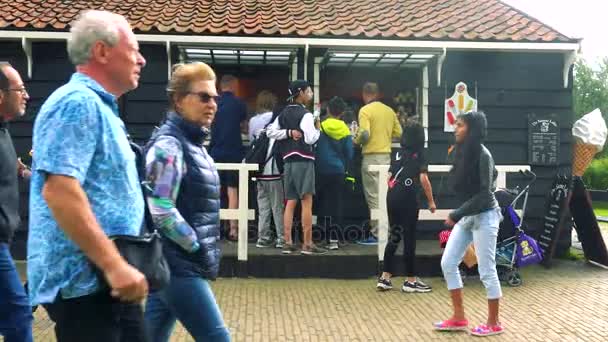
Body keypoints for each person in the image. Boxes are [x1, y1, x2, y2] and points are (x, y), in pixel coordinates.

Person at [27, 10, 149, 341]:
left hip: (104, 282)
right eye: (134, 49)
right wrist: (114, 265)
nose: (142, 60)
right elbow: (59, 191)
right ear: (102, 51)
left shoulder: (100, 107)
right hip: (87, 282)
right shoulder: (76, 104)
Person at [143, 62, 230, 342]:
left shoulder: (194, 144)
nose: (212, 104)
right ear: (179, 101)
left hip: (172, 263)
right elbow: (161, 209)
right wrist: (195, 246)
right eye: (204, 97)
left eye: (215, 97)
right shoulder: (168, 146)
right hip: (179, 265)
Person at [434, 111, 504, 337]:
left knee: (486, 269)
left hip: (485, 215)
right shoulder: (463, 152)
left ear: (472, 129)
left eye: (460, 125)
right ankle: (458, 317)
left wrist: (456, 213)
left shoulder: (484, 154)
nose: (455, 128)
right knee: (448, 262)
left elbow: (485, 195)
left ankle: (494, 323)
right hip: (468, 216)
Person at [376, 120, 436, 293]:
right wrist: (431, 201)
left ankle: (385, 277)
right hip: (409, 196)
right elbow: (424, 179)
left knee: (394, 235)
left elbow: (389, 176)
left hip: (393, 195)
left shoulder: (397, 153)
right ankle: (410, 280)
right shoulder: (421, 154)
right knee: (409, 238)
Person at [267, 80, 326, 255]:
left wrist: (288, 133)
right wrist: (318, 129)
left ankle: (287, 242)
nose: (311, 94)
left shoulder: (283, 113)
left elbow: (270, 131)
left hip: (288, 162)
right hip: (304, 160)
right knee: (307, 202)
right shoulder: (306, 114)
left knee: (290, 202)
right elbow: (310, 139)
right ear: (300, 92)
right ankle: (307, 244)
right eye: (308, 91)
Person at [0, 61, 33, 342]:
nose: (26, 95)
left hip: (5, 243)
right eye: (20, 89)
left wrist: (23, 171)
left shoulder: (4, 130)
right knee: (19, 314)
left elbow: (10, 169)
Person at [355, 82, 402, 245]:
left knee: (373, 197)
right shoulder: (389, 111)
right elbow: (399, 133)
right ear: (378, 94)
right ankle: (385, 232)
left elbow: (365, 134)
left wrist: (356, 141)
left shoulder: (365, 110)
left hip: (371, 157)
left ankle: (377, 235)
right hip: (386, 158)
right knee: (383, 196)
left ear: (364, 94)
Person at [209, 75, 247, 241]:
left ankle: (214, 229)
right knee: (232, 190)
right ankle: (233, 230)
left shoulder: (213, 103)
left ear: (220, 86)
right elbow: (244, 127)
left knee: (215, 191)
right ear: (233, 85)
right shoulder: (239, 104)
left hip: (215, 151)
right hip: (234, 152)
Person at [314, 96, 354, 250]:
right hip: (337, 171)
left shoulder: (321, 125)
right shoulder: (345, 129)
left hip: (320, 170)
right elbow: (349, 153)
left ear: (328, 110)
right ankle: (333, 240)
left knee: (321, 203)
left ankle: (319, 237)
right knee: (335, 204)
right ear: (342, 112)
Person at [249, 91, 285, 249]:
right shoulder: (278, 132)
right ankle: (282, 238)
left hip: (259, 172)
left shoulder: (264, 129)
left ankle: (263, 238)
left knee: (263, 207)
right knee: (277, 207)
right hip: (273, 173)